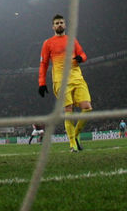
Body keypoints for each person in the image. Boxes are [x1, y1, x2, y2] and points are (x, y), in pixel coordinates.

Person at [38, 14, 93, 153]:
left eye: (61, 22)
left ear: (65, 25)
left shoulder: (72, 40)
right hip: (60, 81)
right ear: (53, 26)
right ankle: (72, 144)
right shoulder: (48, 43)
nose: (59, 25)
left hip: (77, 78)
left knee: (87, 108)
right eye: (57, 23)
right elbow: (44, 64)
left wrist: (81, 58)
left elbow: (83, 54)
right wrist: (42, 82)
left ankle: (76, 135)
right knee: (68, 110)